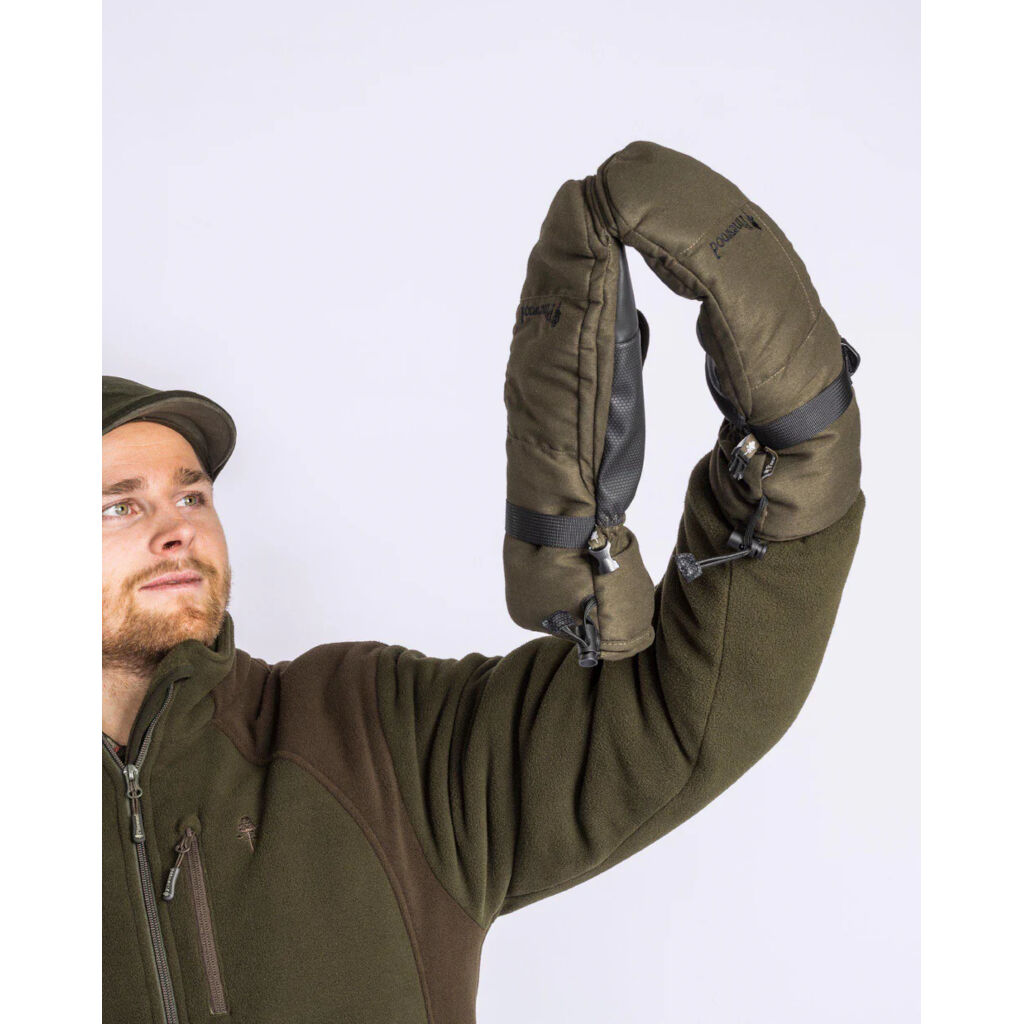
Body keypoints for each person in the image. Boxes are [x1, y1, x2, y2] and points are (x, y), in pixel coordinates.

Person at [102, 370, 863, 1023]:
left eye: (191, 496)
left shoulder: (365, 730)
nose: (178, 532)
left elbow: (684, 707)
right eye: (119, 507)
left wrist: (791, 447)